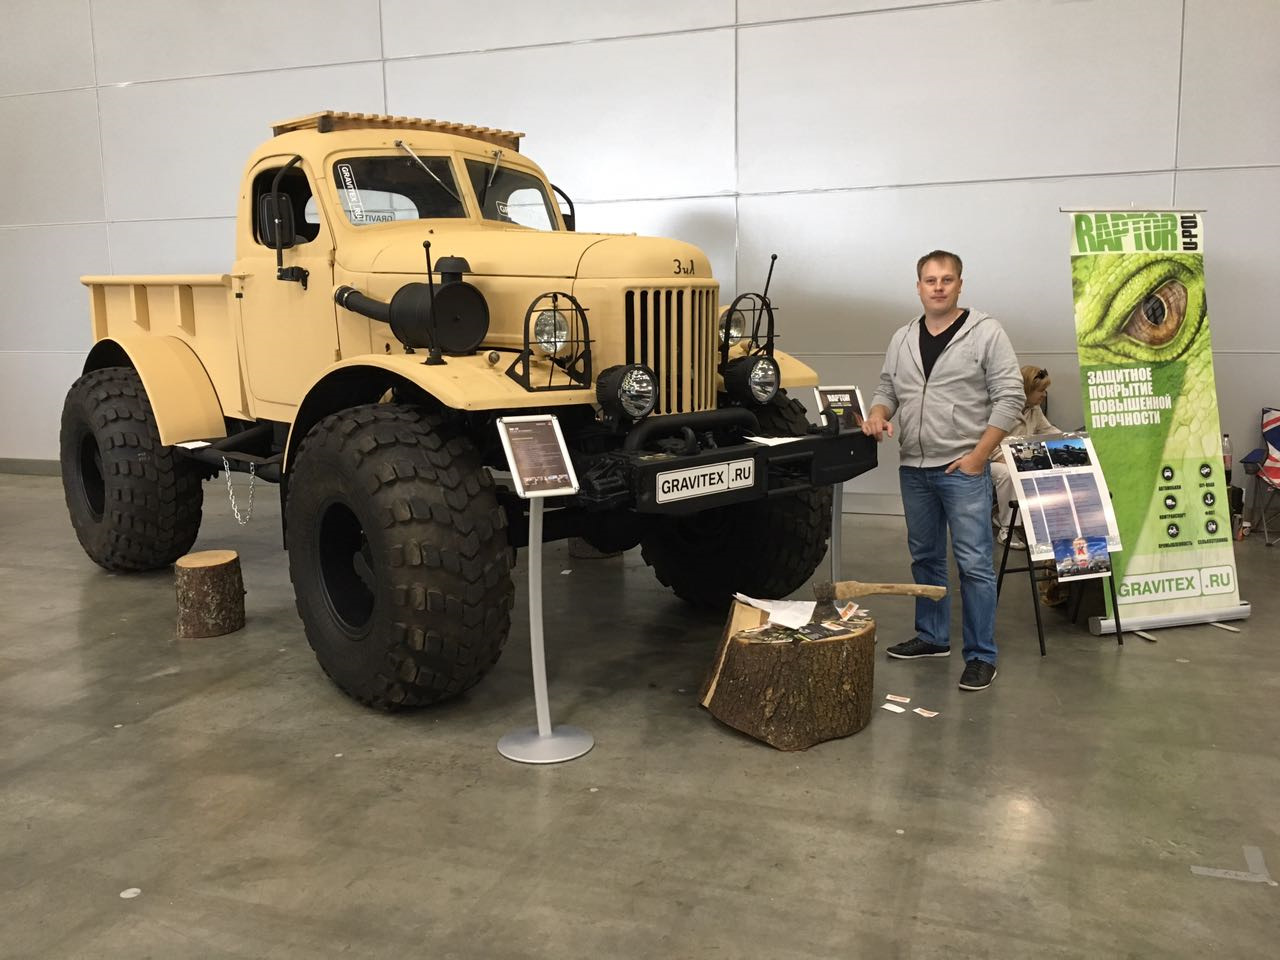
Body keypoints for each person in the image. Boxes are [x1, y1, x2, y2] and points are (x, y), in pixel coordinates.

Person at [861, 250, 1024, 691]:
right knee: (926, 559)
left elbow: (1011, 396)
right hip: (913, 468)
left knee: (973, 564)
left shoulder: (985, 332)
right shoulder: (903, 337)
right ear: (918, 286)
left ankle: (981, 655)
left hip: (962, 469)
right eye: (929, 280)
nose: (937, 287)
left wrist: (978, 457)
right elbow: (887, 388)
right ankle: (933, 638)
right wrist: (877, 413)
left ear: (959, 285)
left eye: (946, 280)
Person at [990, 366, 1061, 550]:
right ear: (1027, 390)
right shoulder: (1001, 408)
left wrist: (1073, 442)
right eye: (1041, 390)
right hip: (991, 461)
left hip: (1019, 460)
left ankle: (1041, 526)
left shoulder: (1034, 410)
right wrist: (1003, 458)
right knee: (1008, 474)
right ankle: (1007, 529)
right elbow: (984, 439)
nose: (1044, 395)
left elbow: (1049, 431)